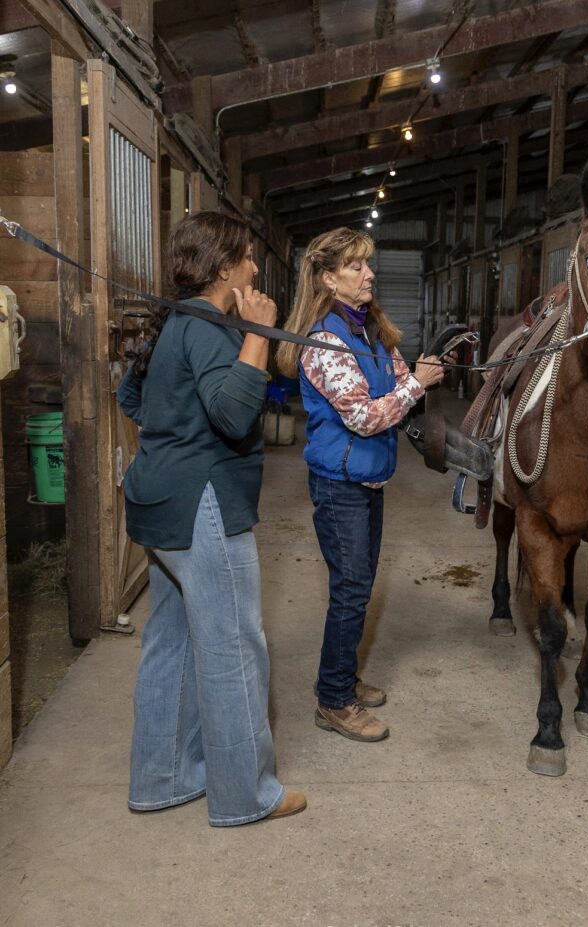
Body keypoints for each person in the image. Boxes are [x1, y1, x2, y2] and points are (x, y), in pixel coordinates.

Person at [117, 211, 306, 826]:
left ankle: (162, 775)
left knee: (172, 640)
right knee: (232, 647)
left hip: (158, 499)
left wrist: (171, 433)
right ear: (225, 267)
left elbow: (131, 399)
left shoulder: (178, 322)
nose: (255, 267)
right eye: (249, 257)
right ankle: (245, 794)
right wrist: (258, 333)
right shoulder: (210, 328)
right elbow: (231, 416)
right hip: (201, 505)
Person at [276, 227, 446, 743]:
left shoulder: (369, 329)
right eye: (356, 266)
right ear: (328, 279)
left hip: (369, 480)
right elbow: (366, 417)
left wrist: (415, 378)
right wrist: (418, 383)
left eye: (367, 264)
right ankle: (333, 700)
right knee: (350, 594)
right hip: (340, 485)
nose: (369, 274)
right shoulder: (326, 339)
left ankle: (343, 679)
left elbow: (396, 382)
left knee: (359, 588)